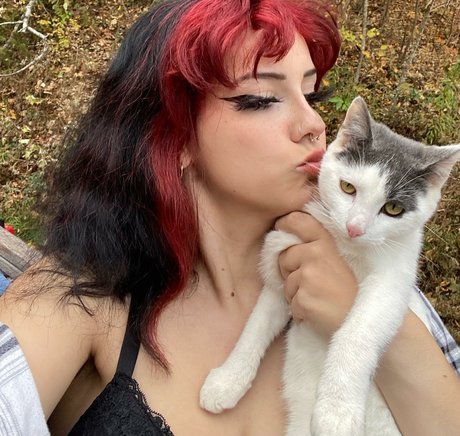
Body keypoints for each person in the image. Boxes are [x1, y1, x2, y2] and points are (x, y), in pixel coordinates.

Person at [0, 0, 459, 434]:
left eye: (312, 96)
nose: (316, 126)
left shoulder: (378, 277)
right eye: (262, 98)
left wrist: (371, 323)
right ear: (174, 137)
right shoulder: (79, 296)